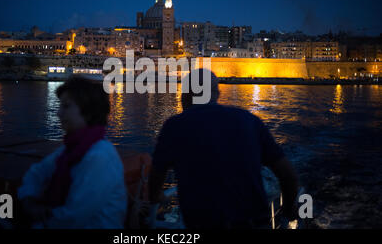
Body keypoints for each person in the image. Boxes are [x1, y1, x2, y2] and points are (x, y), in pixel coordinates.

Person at [149, 69, 299, 228]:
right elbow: (287, 175)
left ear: (185, 95)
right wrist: (288, 208)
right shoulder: (250, 121)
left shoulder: (174, 126)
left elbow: (155, 176)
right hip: (255, 223)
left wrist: (156, 196)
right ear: (217, 94)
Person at [17, 76, 127, 228]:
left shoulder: (99, 157)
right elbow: (36, 174)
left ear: (88, 112)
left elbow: (75, 216)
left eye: (66, 106)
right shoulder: (72, 150)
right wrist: (28, 200)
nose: (59, 114)